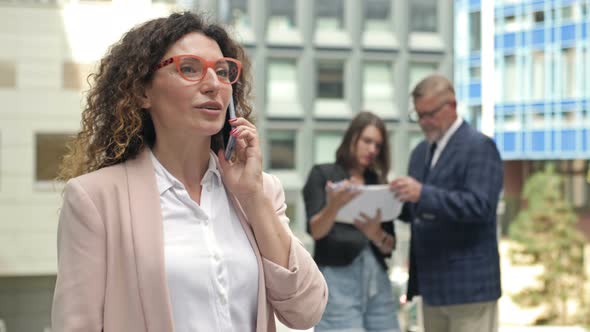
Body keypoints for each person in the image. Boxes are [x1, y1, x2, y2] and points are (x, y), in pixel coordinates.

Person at [51, 12, 328, 332]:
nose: (213, 85)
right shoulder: (95, 198)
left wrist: (253, 197)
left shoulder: (259, 191)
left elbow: (307, 310)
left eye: (223, 72)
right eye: (189, 68)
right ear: (142, 92)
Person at [390, 74, 503, 332]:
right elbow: (417, 212)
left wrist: (422, 193)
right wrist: (389, 200)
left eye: (430, 114)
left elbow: (481, 205)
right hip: (430, 285)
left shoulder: (480, 147)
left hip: (470, 287)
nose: (425, 123)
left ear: (452, 106)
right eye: (419, 116)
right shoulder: (420, 152)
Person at [303, 111, 400, 332]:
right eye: (367, 141)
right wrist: (334, 205)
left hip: (377, 279)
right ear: (352, 138)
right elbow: (315, 230)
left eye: (378, 145)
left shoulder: (379, 183)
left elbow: (389, 245)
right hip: (337, 277)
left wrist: (375, 234)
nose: (372, 150)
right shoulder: (323, 174)